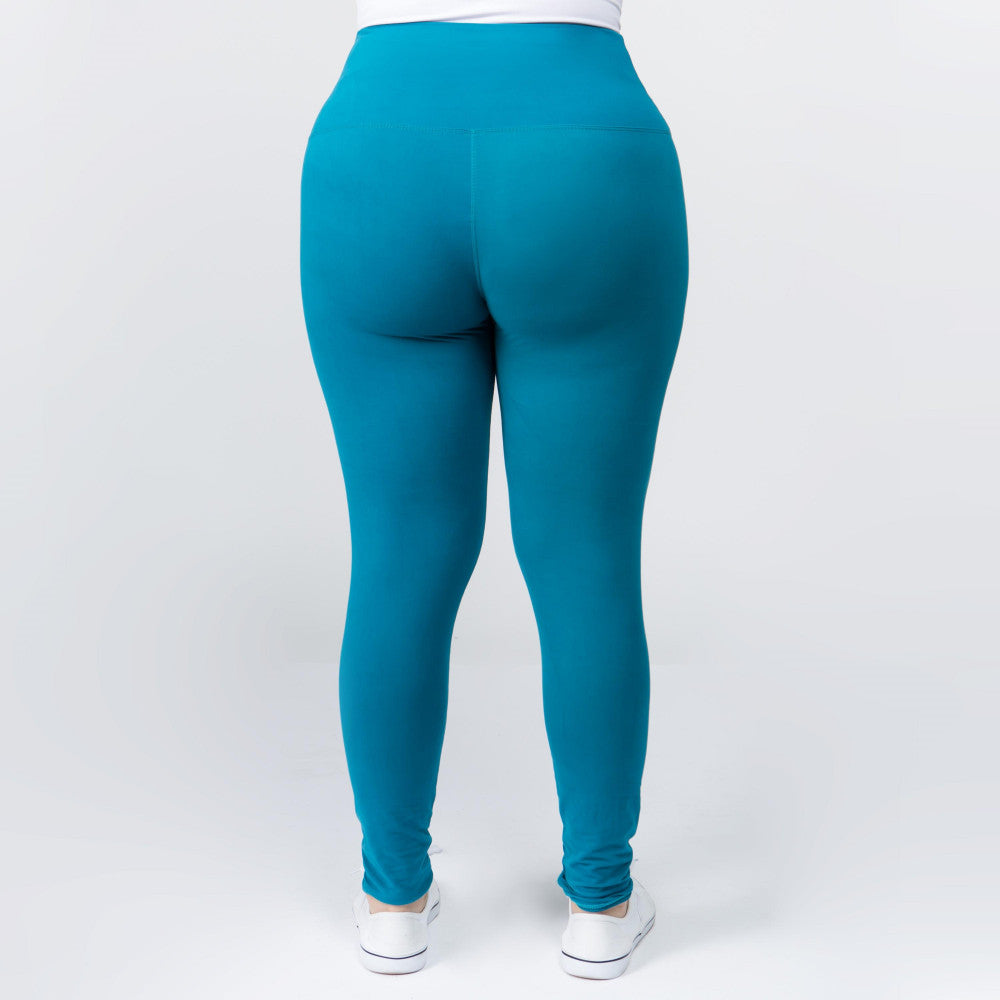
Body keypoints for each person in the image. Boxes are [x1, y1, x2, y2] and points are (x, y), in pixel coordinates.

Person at [299, 0, 688, 979]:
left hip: (379, 152)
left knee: (398, 551)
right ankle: (601, 905)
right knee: (586, 551)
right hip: (584, 147)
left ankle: (394, 900)